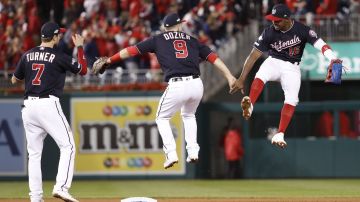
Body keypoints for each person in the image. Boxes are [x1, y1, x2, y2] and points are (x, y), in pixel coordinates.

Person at [93, 13, 236, 169]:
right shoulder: (193, 41)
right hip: (196, 84)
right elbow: (214, 58)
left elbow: (131, 50)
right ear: (180, 25)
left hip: (177, 84)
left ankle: (171, 153)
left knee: (161, 118)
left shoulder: (158, 39)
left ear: (165, 27)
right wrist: (229, 76)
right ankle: (193, 151)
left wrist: (109, 60)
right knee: (189, 115)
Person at [230, 4, 342, 148]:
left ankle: (280, 133)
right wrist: (241, 78)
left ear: (287, 18)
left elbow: (321, 45)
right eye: (272, 20)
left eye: (277, 20)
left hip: (292, 67)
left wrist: (332, 57)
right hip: (274, 61)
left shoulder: (302, 30)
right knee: (261, 74)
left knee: (292, 100)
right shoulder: (269, 32)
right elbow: (253, 56)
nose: (274, 23)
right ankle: (250, 104)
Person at [11, 22, 87, 202]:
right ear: (54, 37)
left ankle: (36, 198)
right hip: (48, 105)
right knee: (68, 146)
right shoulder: (58, 56)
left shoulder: (27, 55)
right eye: (58, 34)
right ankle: (61, 187)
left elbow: (14, 79)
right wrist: (80, 48)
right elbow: (83, 70)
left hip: (29, 107)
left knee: (34, 155)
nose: (60, 36)